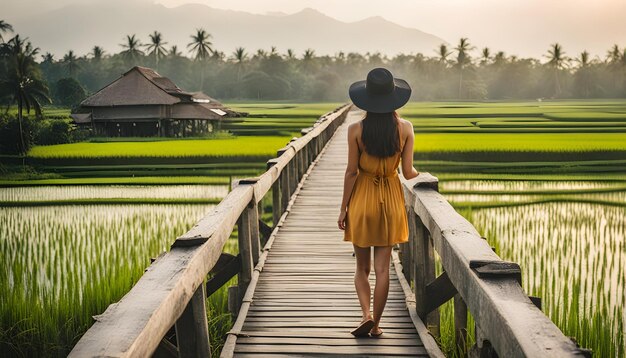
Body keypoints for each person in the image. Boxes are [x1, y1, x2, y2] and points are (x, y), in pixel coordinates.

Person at [337, 67, 420, 337]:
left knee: (362, 267)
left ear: (367, 99)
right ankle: (377, 327)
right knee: (383, 269)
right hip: (391, 199)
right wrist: (424, 175)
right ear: (394, 98)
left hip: (362, 197)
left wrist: (343, 208)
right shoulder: (406, 128)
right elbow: (408, 172)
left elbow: (351, 172)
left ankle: (365, 315)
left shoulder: (355, 130)